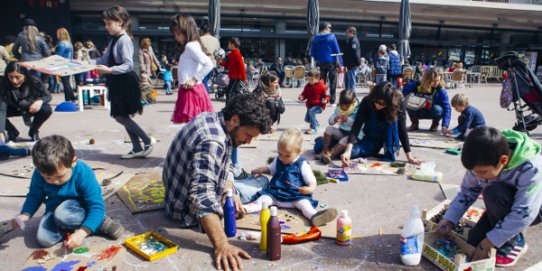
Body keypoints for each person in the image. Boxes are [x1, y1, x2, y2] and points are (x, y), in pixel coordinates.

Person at [162, 94, 272, 271]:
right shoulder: (213, 140)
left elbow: (225, 163)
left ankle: (234, 187)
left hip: (178, 195)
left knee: (237, 173)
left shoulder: (213, 120)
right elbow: (201, 196)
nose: (248, 141)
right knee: (263, 183)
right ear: (235, 120)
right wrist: (222, 245)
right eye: (248, 135)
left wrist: (229, 191)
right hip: (184, 210)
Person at [437, 127, 542, 267]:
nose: (477, 176)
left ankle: (516, 241)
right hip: (503, 204)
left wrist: (489, 242)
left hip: (533, 208)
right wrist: (449, 218)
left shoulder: (531, 167)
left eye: (482, 172)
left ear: (503, 160)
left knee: (494, 193)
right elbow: (467, 192)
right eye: (474, 172)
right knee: (473, 242)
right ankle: (502, 225)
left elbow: (525, 212)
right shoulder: (480, 161)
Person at [8, 135, 124, 248]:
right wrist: (25, 214)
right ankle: (74, 226)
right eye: (48, 178)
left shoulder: (83, 173)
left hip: (80, 210)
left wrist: (82, 233)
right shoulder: (39, 173)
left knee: (63, 214)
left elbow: (96, 206)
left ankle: (100, 223)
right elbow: (35, 195)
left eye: (60, 176)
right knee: (44, 240)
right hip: (55, 211)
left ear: (73, 162)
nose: (54, 182)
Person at [93, 6, 154, 159]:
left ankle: (146, 141)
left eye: (108, 23)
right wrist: (85, 62)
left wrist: (108, 70)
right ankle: (136, 147)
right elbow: (103, 59)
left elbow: (128, 65)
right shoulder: (114, 39)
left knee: (121, 116)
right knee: (122, 115)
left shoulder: (124, 39)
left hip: (125, 82)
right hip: (117, 82)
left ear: (119, 22)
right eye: (105, 23)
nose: (106, 27)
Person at [243, 129, 339, 226]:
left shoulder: (302, 164)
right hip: (275, 194)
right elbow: (271, 169)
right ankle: (244, 209)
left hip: (295, 196)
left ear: (299, 152)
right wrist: (260, 170)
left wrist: (309, 189)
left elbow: (312, 181)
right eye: (280, 154)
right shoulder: (278, 159)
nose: (282, 158)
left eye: (287, 155)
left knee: (305, 205)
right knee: (262, 200)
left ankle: (315, 217)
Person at [341, 82, 423, 165]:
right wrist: (348, 151)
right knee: (351, 153)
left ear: (389, 102)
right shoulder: (367, 101)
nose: (377, 105)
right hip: (372, 136)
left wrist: (410, 157)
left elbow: (402, 130)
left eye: (382, 103)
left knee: (392, 119)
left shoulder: (399, 102)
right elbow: (356, 126)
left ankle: (388, 149)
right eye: (376, 101)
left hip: (388, 135)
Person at [169, 14, 214, 124]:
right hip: (189, 89)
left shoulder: (190, 46)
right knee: (195, 125)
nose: (176, 37)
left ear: (186, 31)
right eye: (175, 34)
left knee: (194, 125)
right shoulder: (192, 45)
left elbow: (209, 64)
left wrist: (193, 79)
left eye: (178, 33)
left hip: (191, 91)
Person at [0, 62, 52, 142]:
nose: (14, 81)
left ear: (25, 75)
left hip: (30, 107)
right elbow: (2, 109)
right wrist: (1, 131)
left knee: (46, 109)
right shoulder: (3, 83)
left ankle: (33, 131)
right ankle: (12, 131)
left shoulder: (34, 80)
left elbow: (48, 96)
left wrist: (39, 101)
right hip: (12, 107)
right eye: (11, 77)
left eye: (18, 77)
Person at [403, 67, 451, 132]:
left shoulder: (440, 89)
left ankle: (435, 123)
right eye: (434, 81)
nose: (436, 83)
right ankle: (414, 123)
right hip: (417, 109)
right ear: (427, 80)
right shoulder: (417, 84)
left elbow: (447, 108)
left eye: (438, 80)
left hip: (431, 110)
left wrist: (445, 125)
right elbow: (404, 92)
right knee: (408, 102)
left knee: (438, 109)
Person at [318, 89, 359, 165]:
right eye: (343, 107)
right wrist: (335, 119)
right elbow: (330, 122)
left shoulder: (357, 109)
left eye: (347, 107)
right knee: (328, 129)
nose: (345, 109)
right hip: (342, 132)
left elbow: (358, 124)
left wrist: (347, 120)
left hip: (353, 136)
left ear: (353, 102)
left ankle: (330, 154)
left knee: (345, 139)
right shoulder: (339, 108)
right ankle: (324, 151)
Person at [310, 21, 343, 105]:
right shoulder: (331, 37)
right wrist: (340, 63)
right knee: (333, 81)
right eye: (330, 27)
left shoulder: (315, 38)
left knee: (322, 81)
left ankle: (321, 98)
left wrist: (318, 59)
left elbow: (313, 52)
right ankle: (332, 100)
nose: (330, 29)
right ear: (326, 28)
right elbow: (337, 50)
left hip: (321, 62)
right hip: (331, 61)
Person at [298, 69, 329, 135]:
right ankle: (316, 123)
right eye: (308, 79)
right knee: (307, 119)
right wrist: (302, 97)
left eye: (311, 80)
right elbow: (304, 94)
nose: (309, 81)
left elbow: (327, 95)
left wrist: (326, 100)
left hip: (319, 105)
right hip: (310, 105)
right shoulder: (307, 86)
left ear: (317, 78)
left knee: (312, 111)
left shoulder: (322, 86)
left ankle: (314, 128)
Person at [216, 37, 246, 104]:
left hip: (236, 77)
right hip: (232, 76)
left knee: (229, 92)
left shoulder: (237, 54)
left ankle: (228, 107)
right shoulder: (231, 54)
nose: (228, 45)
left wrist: (244, 78)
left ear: (232, 44)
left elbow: (242, 67)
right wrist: (220, 62)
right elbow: (227, 64)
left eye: (229, 43)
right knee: (234, 91)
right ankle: (239, 103)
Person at [199, 17, 220, 93]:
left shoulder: (199, 39)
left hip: (202, 66)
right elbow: (218, 54)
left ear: (201, 30)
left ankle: (205, 99)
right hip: (212, 66)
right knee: (204, 82)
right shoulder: (215, 40)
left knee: (202, 83)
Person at [55, 28, 75, 102]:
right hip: (69, 64)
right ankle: (72, 97)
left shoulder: (61, 44)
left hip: (62, 65)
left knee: (65, 82)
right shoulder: (69, 43)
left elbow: (58, 56)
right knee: (67, 82)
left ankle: (68, 98)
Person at [343, 26, 361, 91]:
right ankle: (348, 94)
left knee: (351, 81)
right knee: (348, 82)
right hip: (349, 65)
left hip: (352, 64)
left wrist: (358, 63)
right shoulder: (349, 41)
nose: (346, 34)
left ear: (352, 32)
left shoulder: (353, 41)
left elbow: (355, 53)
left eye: (347, 32)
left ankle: (352, 95)